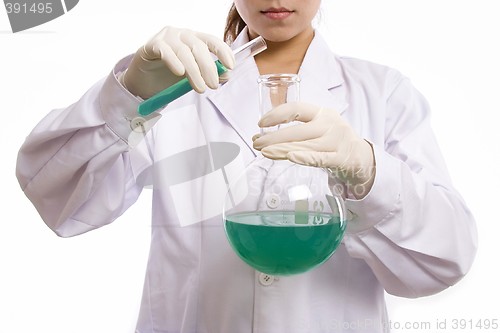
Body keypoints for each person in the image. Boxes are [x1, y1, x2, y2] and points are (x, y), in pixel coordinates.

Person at [16, 1, 478, 332]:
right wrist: (130, 95)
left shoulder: (384, 94)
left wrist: (367, 169)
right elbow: (60, 199)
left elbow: (446, 260)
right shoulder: (177, 87)